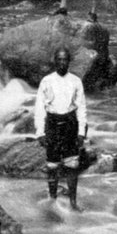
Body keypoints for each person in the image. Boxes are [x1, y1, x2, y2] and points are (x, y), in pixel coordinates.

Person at [34, 46, 87, 211]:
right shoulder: (47, 81)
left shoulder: (76, 81)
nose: (62, 63)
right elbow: (39, 108)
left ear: (69, 62)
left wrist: (81, 132)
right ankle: (52, 199)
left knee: (72, 164)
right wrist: (40, 132)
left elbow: (82, 107)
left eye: (65, 59)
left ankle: (72, 201)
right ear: (54, 61)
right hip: (52, 123)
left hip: (70, 123)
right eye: (59, 59)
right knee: (52, 165)